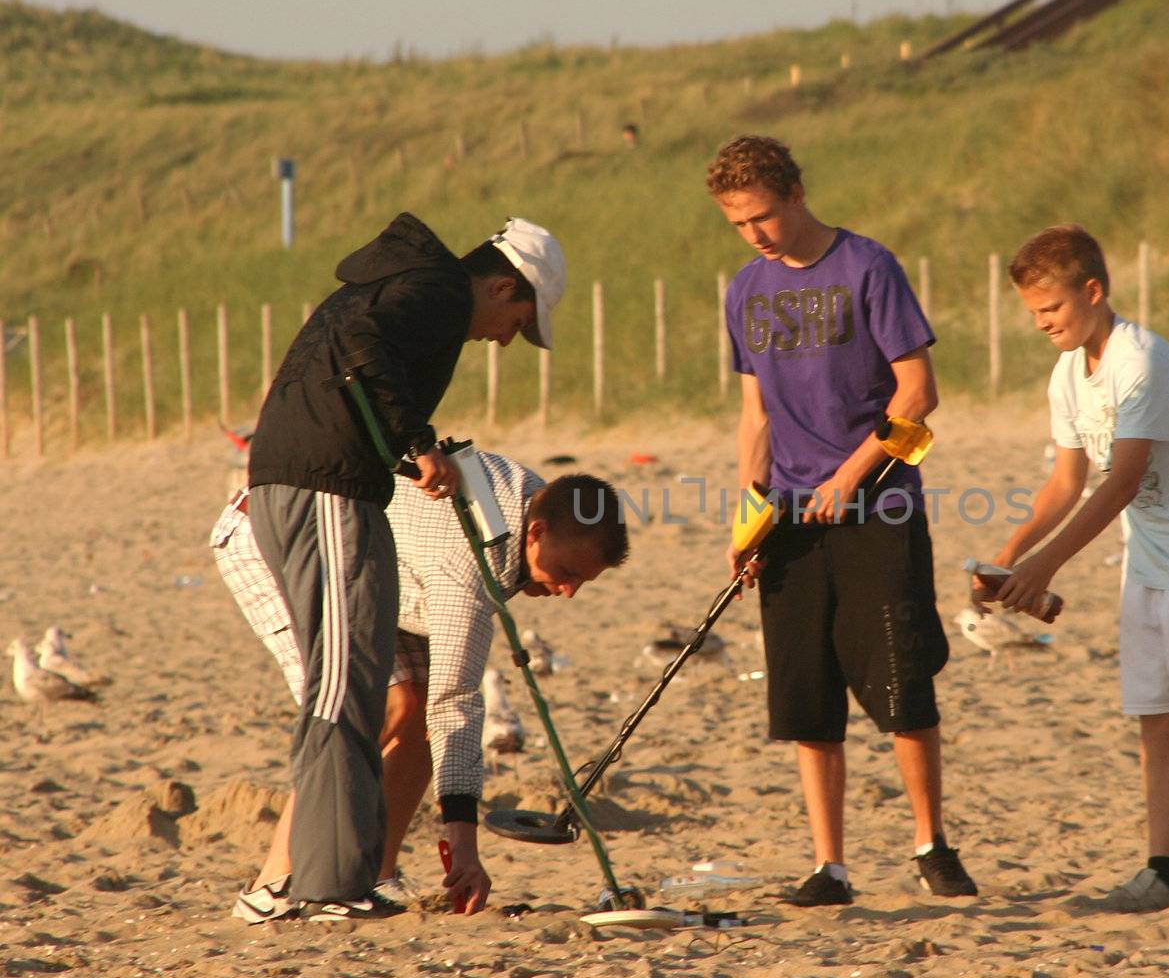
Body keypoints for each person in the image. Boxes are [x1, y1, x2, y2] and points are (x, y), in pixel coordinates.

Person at [244, 212, 565, 920]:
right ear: (503, 284)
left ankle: (341, 879)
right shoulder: (439, 292)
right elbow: (362, 346)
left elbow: (354, 358)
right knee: (340, 691)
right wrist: (418, 444)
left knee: (359, 690)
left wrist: (403, 445)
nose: (508, 338)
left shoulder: (412, 285)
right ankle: (324, 884)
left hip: (315, 481)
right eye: (519, 320)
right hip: (323, 486)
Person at [707, 134, 976, 905]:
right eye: (738, 224)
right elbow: (754, 413)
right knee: (806, 698)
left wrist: (851, 475)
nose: (755, 234)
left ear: (794, 193)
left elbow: (917, 393)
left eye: (761, 215)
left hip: (879, 508)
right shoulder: (746, 290)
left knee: (900, 681)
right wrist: (747, 517)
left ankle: (931, 846)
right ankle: (830, 866)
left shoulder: (868, 266)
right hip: (788, 516)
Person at [979, 224, 1169, 913]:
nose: (1041, 324)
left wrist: (1045, 567)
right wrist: (1006, 559)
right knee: (1155, 713)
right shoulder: (1067, 373)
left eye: (1050, 309)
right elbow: (1065, 483)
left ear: (1093, 290)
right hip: (1151, 556)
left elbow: (1121, 479)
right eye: (1031, 314)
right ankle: (1166, 871)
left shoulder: (1145, 362)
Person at [214, 463, 629, 921]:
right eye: (566, 572)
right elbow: (455, 703)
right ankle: (272, 885)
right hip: (279, 545)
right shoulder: (469, 562)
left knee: (416, 708)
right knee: (366, 712)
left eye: (583, 582)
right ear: (536, 532)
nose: (568, 592)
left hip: (384, 570)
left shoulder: (544, 502)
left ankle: (373, 877)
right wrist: (465, 849)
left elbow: (440, 708)